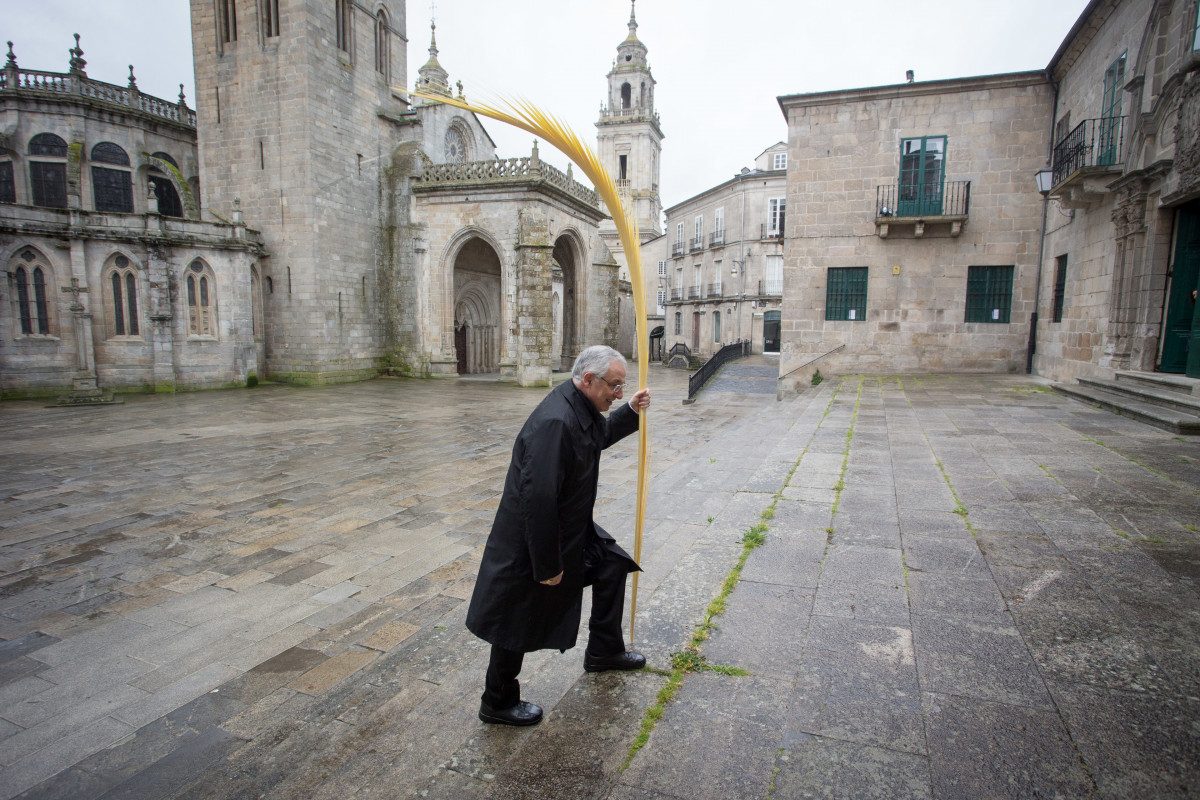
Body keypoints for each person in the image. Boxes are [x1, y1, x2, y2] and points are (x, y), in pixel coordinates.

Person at [465, 345, 652, 726]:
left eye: (621, 387)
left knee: (611, 565)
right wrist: (547, 565)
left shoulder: (580, 407)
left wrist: (629, 411)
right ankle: (497, 701)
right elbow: (538, 499)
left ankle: (603, 651)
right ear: (588, 380)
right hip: (533, 543)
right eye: (614, 387)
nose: (617, 393)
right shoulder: (555, 422)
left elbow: (596, 436)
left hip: (570, 531)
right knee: (514, 618)